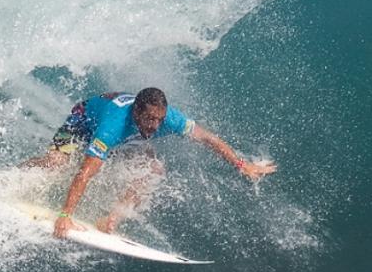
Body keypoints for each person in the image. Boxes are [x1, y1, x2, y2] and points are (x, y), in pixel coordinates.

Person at [20, 88, 277, 237]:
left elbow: (208, 138)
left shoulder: (168, 120)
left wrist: (242, 166)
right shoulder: (113, 127)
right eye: (150, 119)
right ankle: (20, 171)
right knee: (58, 164)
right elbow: (86, 173)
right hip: (84, 119)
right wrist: (65, 215)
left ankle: (110, 220)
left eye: (159, 119)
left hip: (124, 132)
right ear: (136, 113)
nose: (155, 126)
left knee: (154, 169)